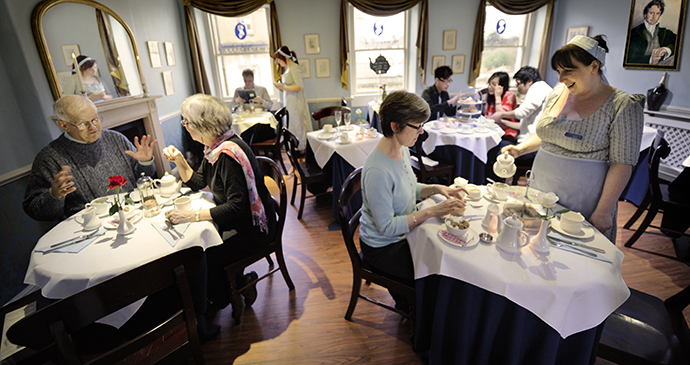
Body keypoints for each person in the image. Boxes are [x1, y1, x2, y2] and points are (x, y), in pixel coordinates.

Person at [502, 35, 645, 242]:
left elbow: (622, 164)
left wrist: (604, 211)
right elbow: (548, 135)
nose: (561, 79)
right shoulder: (559, 92)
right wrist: (520, 149)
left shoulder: (622, 105)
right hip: (540, 189)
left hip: (583, 201)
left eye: (568, 71)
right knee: (533, 246)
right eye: (559, 72)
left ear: (594, 67)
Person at [162, 94, 277, 314]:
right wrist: (179, 159)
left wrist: (190, 216)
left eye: (185, 121)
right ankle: (230, 286)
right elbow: (198, 182)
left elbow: (236, 207)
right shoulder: (215, 147)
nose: (184, 126)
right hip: (241, 222)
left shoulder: (227, 155)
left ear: (200, 124)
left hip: (254, 231)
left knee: (204, 258)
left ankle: (229, 294)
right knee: (203, 246)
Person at [359, 90, 466, 311]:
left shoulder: (402, 149)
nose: (421, 131)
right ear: (395, 126)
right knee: (435, 269)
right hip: (382, 247)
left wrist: (437, 188)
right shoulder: (378, 170)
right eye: (416, 126)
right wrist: (431, 211)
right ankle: (416, 315)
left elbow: (407, 188)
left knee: (440, 255)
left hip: (401, 234)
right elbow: (387, 227)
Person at [23, 94, 156, 222]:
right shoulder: (49, 158)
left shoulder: (115, 138)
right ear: (64, 126)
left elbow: (143, 177)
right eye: (82, 124)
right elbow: (35, 210)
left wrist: (145, 163)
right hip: (88, 229)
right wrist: (54, 195)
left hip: (132, 214)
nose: (93, 127)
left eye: (95, 119)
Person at [485, 67, 553, 182]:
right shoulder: (542, 89)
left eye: (519, 83)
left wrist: (501, 115)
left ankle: (495, 184)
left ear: (529, 81)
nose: (517, 87)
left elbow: (522, 113)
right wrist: (503, 121)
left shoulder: (538, 87)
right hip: (529, 144)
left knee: (494, 150)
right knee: (494, 145)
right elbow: (523, 126)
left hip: (530, 148)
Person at [273, 46, 311, 151]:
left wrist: (283, 87)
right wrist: (281, 88)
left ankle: (300, 147)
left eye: (278, 59)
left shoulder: (295, 68)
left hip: (295, 101)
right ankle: (294, 147)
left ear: (285, 57)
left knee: (297, 123)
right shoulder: (288, 68)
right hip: (289, 101)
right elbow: (290, 87)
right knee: (291, 123)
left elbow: (299, 86)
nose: (278, 62)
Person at [627, 0, 677, 65]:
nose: (654, 16)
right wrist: (650, 60)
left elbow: (679, 42)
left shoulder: (665, 32)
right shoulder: (634, 33)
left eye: (657, 13)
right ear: (645, 15)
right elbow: (630, 58)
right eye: (651, 13)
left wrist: (667, 49)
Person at [486, 71, 519, 140]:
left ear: (502, 86)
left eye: (494, 85)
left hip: (506, 133)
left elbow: (501, 116)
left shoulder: (509, 95)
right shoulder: (490, 96)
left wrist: (498, 97)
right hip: (491, 131)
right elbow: (487, 115)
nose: (490, 87)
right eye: (489, 84)